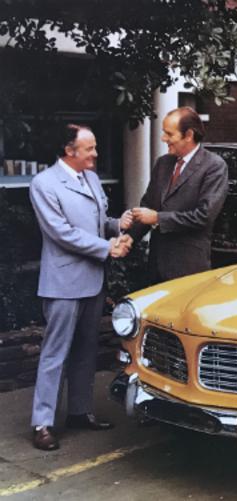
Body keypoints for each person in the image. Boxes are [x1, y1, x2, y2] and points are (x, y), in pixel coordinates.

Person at [28, 124, 134, 451]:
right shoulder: (44, 184)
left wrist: (117, 226)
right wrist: (107, 248)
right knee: (55, 353)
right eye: (89, 148)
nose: (95, 154)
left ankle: (79, 412)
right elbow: (61, 233)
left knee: (86, 349)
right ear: (69, 150)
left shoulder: (89, 178)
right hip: (63, 282)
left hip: (92, 279)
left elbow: (96, 223)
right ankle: (42, 423)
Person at [128, 107, 228, 284]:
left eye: (169, 134)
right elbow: (148, 206)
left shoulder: (214, 167)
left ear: (188, 135)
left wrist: (158, 218)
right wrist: (129, 238)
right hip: (156, 266)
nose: (163, 138)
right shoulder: (163, 163)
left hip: (188, 269)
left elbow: (203, 216)